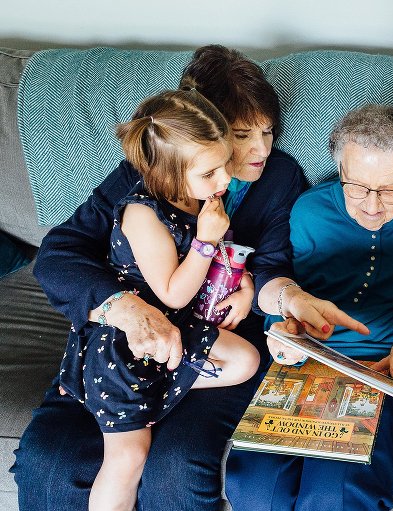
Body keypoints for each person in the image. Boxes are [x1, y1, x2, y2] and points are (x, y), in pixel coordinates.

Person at [13, 45, 365, 511]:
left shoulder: (279, 177)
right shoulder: (148, 176)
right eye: (242, 135)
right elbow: (59, 253)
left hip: (213, 343)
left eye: (268, 131)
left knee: (176, 466)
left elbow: (273, 268)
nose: (261, 149)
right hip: (124, 339)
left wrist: (282, 296)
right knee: (49, 460)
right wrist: (125, 308)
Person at [225, 104, 393, 510]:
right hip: (306, 362)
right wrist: (284, 329)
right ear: (340, 169)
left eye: (390, 190)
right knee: (255, 486)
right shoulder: (309, 210)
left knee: (336, 495)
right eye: (357, 187)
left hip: (382, 369)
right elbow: (285, 284)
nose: (372, 206)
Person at [63, 89, 261, 511]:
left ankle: (152, 390)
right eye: (209, 173)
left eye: (225, 163)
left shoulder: (194, 196)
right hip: (128, 340)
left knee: (245, 361)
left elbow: (200, 276)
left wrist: (241, 282)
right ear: (166, 174)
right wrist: (205, 241)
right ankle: (117, 392)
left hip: (175, 325)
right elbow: (172, 291)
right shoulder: (143, 214)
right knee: (128, 458)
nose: (225, 180)